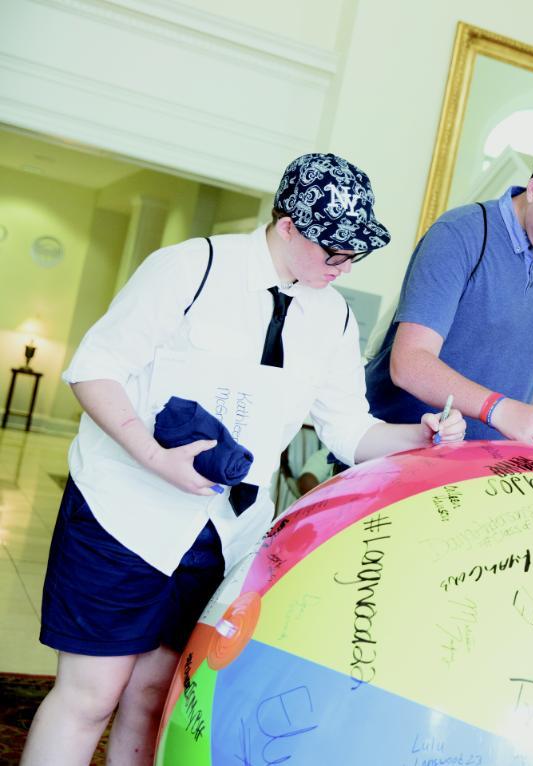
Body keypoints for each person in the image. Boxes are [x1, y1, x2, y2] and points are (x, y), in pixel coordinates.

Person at [20, 153, 465, 766]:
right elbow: (94, 369)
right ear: (288, 226)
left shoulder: (331, 316)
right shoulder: (191, 267)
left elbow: (349, 432)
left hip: (224, 536)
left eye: (354, 254)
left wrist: (421, 436)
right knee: (91, 697)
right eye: (333, 252)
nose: (345, 267)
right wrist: (155, 457)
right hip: (124, 516)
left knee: (154, 699)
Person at [364, 133, 533, 450]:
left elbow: (528, 361)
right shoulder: (459, 235)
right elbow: (409, 364)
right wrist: (502, 410)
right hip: (401, 451)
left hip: (482, 465)